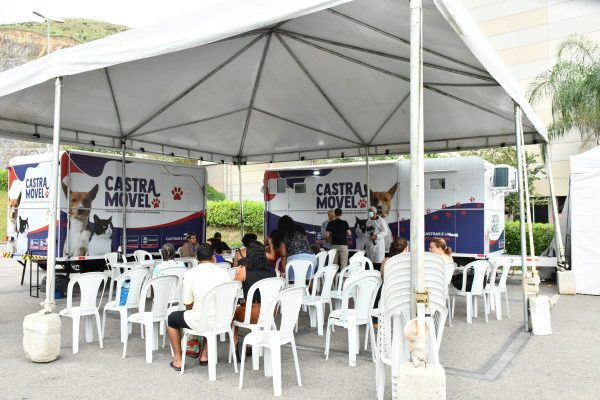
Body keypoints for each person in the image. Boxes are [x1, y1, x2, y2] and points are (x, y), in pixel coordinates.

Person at [166, 244, 230, 371]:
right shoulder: (224, 273)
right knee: (210, 314)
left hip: (201, 320)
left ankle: (178, 360)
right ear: (213, 257)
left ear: (196, 258)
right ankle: (205, 355)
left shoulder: (190, 274)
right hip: (222, 321)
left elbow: (188, 304)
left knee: (172, 318)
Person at [233, 240, 277, 356]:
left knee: (230, 313)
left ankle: (234, 344)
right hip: (270, 312)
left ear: (249, 253)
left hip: (252, 313)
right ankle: (251, 344)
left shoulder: (244, 269)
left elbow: (233, 288)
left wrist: (237, 273)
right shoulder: (272, 270)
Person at [277, 215, 317, 281]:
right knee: (309, 280)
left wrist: (284, 271)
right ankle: (311, 288)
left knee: (292, 282)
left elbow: (283, 255)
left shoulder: (283, 233)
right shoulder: (300, 229)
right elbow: (305, 241)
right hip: (311, 256)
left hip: (295, 258)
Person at [365, 206, 389, 271]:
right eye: (369, 211)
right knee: (370, 263)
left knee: (378, 262)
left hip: (378, 245)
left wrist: (377, 236)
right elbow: (367, 234)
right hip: (369, 245)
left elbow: (385, 231)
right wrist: (366, 244)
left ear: (375, 212)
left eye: (371, 211)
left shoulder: (381, 221)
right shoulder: (368, 221)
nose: (370, 213)